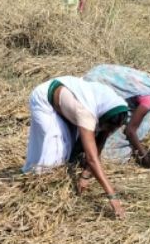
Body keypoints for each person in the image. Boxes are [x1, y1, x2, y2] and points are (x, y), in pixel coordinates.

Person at [24, 76, 131, 219]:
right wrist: (112, 197)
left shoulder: (117, 109)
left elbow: (99, 143)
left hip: (70, 101)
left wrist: (85, 175)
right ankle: (38, 186)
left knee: (67, 149)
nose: (107, 131)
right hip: (45, 98)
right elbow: (92, 158)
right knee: (54, 149)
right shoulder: (86, 114)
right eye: (106, 127)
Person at [83, 65, 150, 164]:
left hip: (98, 72)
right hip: (96, 83)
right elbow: (130, 131)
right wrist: (144, 154)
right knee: (115, 154)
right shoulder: (148, 98)